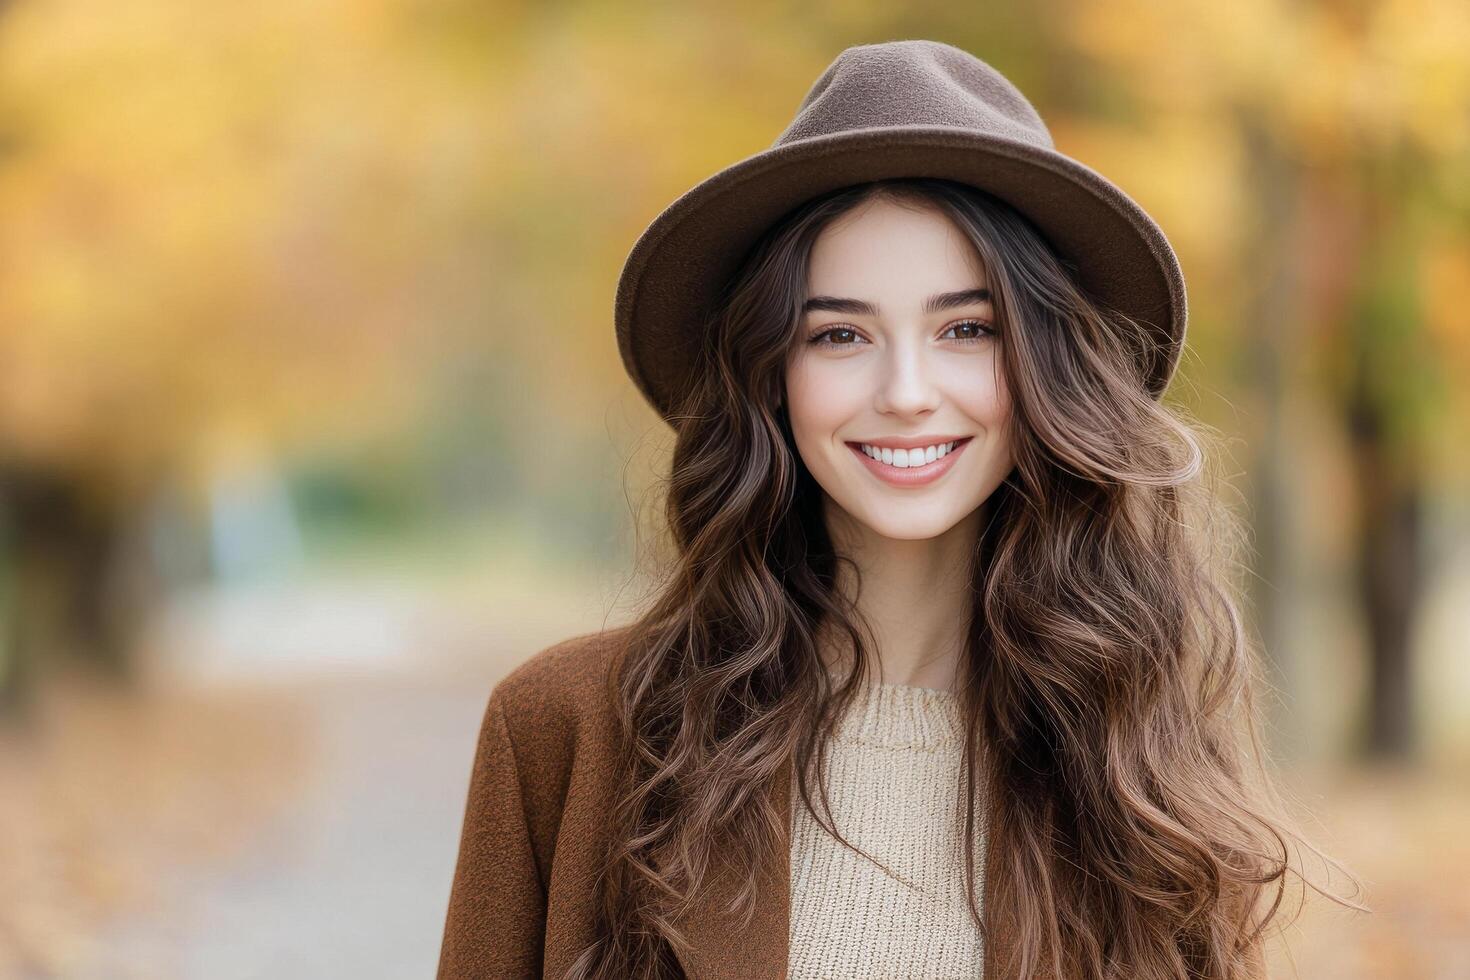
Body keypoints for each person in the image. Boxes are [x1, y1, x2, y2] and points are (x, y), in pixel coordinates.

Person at [437, 39, 1363, 980]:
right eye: (840, 334)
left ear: (1052, 370)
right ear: (771, 379)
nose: (908, 390)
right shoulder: (570, 727)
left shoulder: (1132, 759)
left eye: (967, 329)